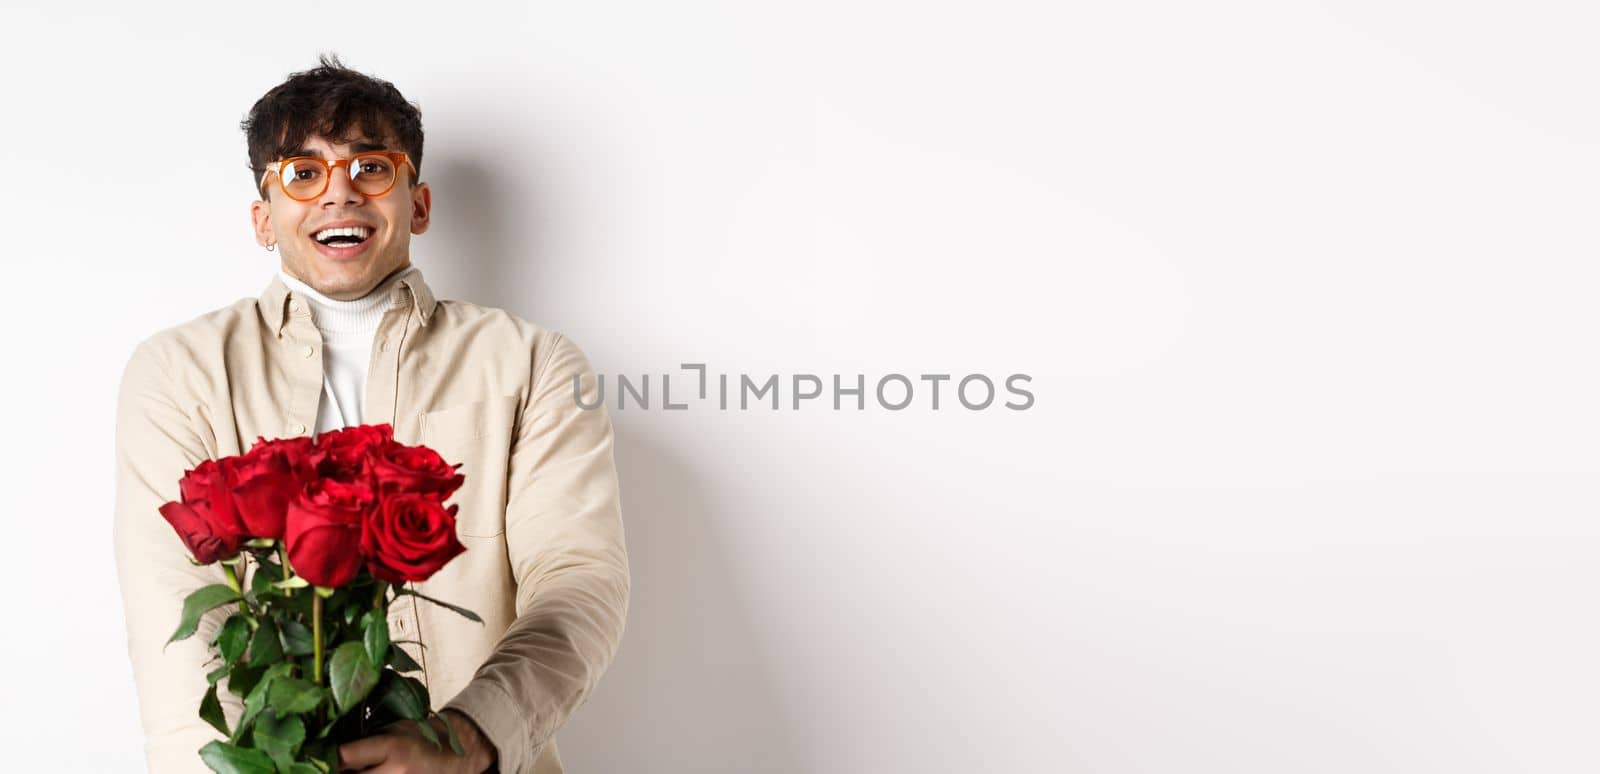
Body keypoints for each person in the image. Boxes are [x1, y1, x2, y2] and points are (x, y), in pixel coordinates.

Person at [112, 55, 630, 774]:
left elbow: (578, 580)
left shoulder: (533, 363)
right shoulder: (180, 370)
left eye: (371, 169)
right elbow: (179, 608)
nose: (339, 195)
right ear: (264, 217)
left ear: (417, 203)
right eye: (303, 173)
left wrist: (469, 737)